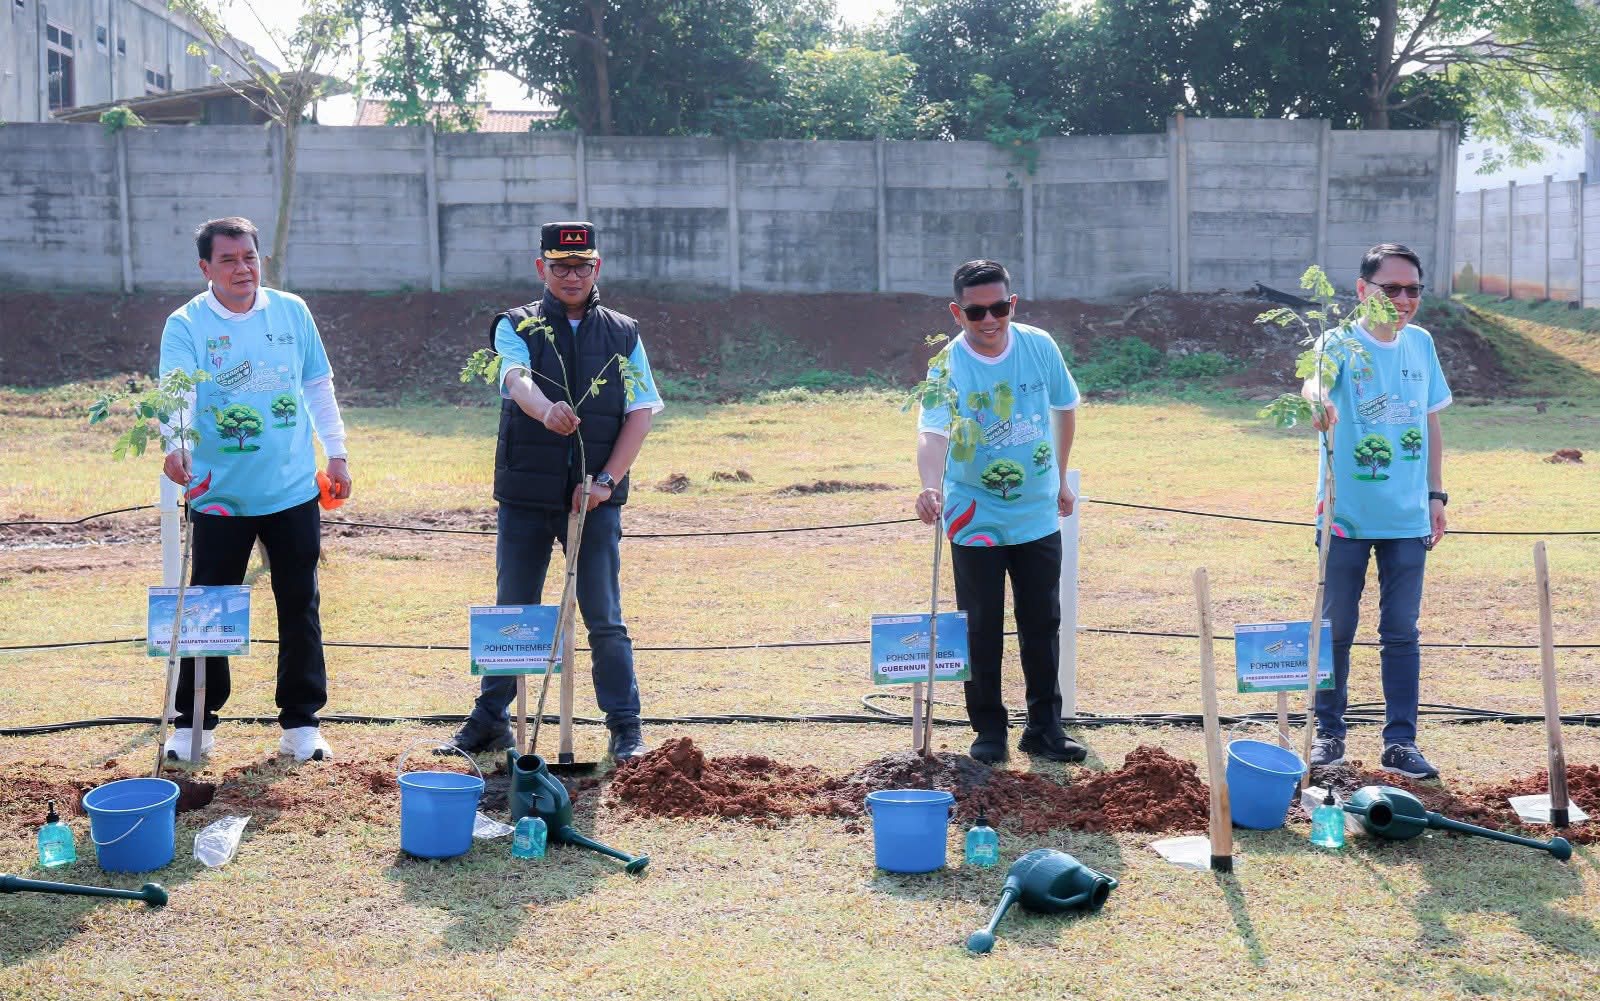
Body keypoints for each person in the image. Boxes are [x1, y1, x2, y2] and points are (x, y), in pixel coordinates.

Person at [446, 222, 663, 761]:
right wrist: (547, 412)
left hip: (595, 501)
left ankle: (624, 725)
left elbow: (640, 412)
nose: (572, 276)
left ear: (598, 269)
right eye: (561, 266)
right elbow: (515, 378)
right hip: (525, 497)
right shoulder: (514, 325)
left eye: (582, 266)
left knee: (604, 615)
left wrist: (605, 483)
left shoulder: (624, 333)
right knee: (513, 610)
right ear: (541, 268)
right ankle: (491, 718)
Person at [157, 216, 352, 763]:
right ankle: (195, 722)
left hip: (292, 489)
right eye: (228, 260)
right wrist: (177, 443)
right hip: (218, 494)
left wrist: (336, 452)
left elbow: (317, 384)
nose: (243, 269)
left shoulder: (292, 311)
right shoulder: (186, 324)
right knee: (209, 605)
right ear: (205, 268)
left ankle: (301, 723)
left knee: (299, 602)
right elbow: (176, 392)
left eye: (250, 257)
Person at [914, 260, 1086, 765]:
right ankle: (988, 729)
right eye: (975, 311)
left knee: (1042, 622)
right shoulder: (946, 366)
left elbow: (1065, 408)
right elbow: (932, 433)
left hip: (1035, 511)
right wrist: (929, 486)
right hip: (973, 515)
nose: (988, 320)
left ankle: (1046, 727)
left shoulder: (1039, 346)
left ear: (1013, 303)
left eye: (998, 308)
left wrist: (1060, 477)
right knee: (981, 625)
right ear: (957, 311)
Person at [1303, 243, 1451, 779]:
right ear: (1363, 290)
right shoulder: (1338, 344)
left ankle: (1401, 742)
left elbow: (1431, 422)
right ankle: (1328, 734)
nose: (1404, 299)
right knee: (1335, 627)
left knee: (1401, 632)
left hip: (1408, 517)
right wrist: (1319, 399)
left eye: (1413, 289)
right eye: (1392, 289)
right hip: (1345, 517)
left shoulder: (1421, 345)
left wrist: (1436, 495)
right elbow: (1314, 384)